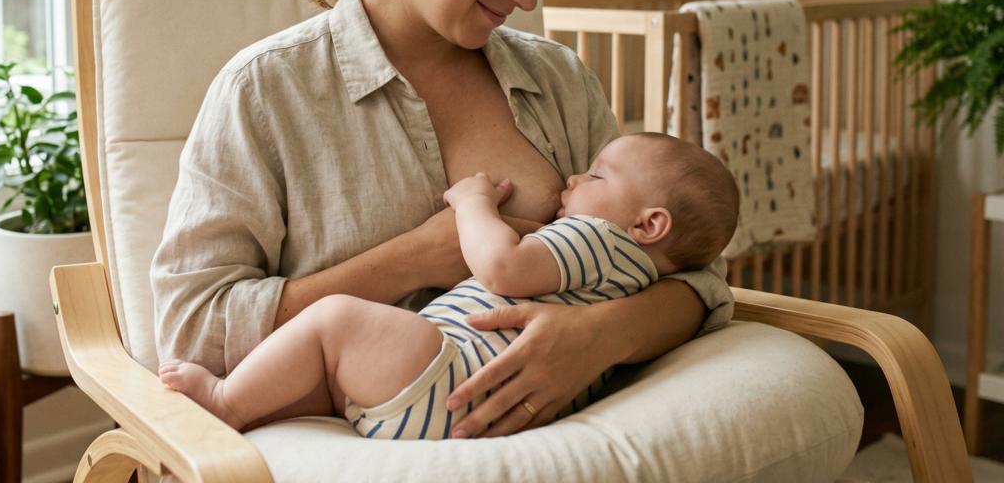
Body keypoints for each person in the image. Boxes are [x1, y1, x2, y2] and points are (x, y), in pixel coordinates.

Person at [150, 0, 734, 439]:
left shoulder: (558, 80)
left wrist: (598, 336)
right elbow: (192, 328)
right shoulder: (267, 93)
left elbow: (694, 271)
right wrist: (416, 259)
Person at [158, 133, 740, 440]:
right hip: (467, 404)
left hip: (448, 374)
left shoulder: (598, 238)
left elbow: (502, 269)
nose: (573, 177)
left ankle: (227, 402)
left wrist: (473, 204)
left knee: (336, 320)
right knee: (335, 359)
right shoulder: (631, 268)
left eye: (594, 175)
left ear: (648, 225)